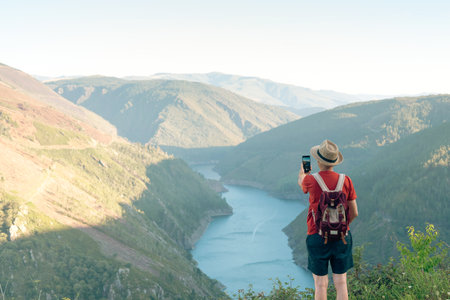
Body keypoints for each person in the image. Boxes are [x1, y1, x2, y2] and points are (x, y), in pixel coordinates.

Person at [298, 140, 358, 300]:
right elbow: (354, 212)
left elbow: (301, 183)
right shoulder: (346, 180)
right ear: (334, 162)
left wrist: (303, 172)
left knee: (320, 284)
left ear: (318, 161)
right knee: (341, 282)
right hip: (342, 238)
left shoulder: (311, 180)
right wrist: (341, 228)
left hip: (317, 236)